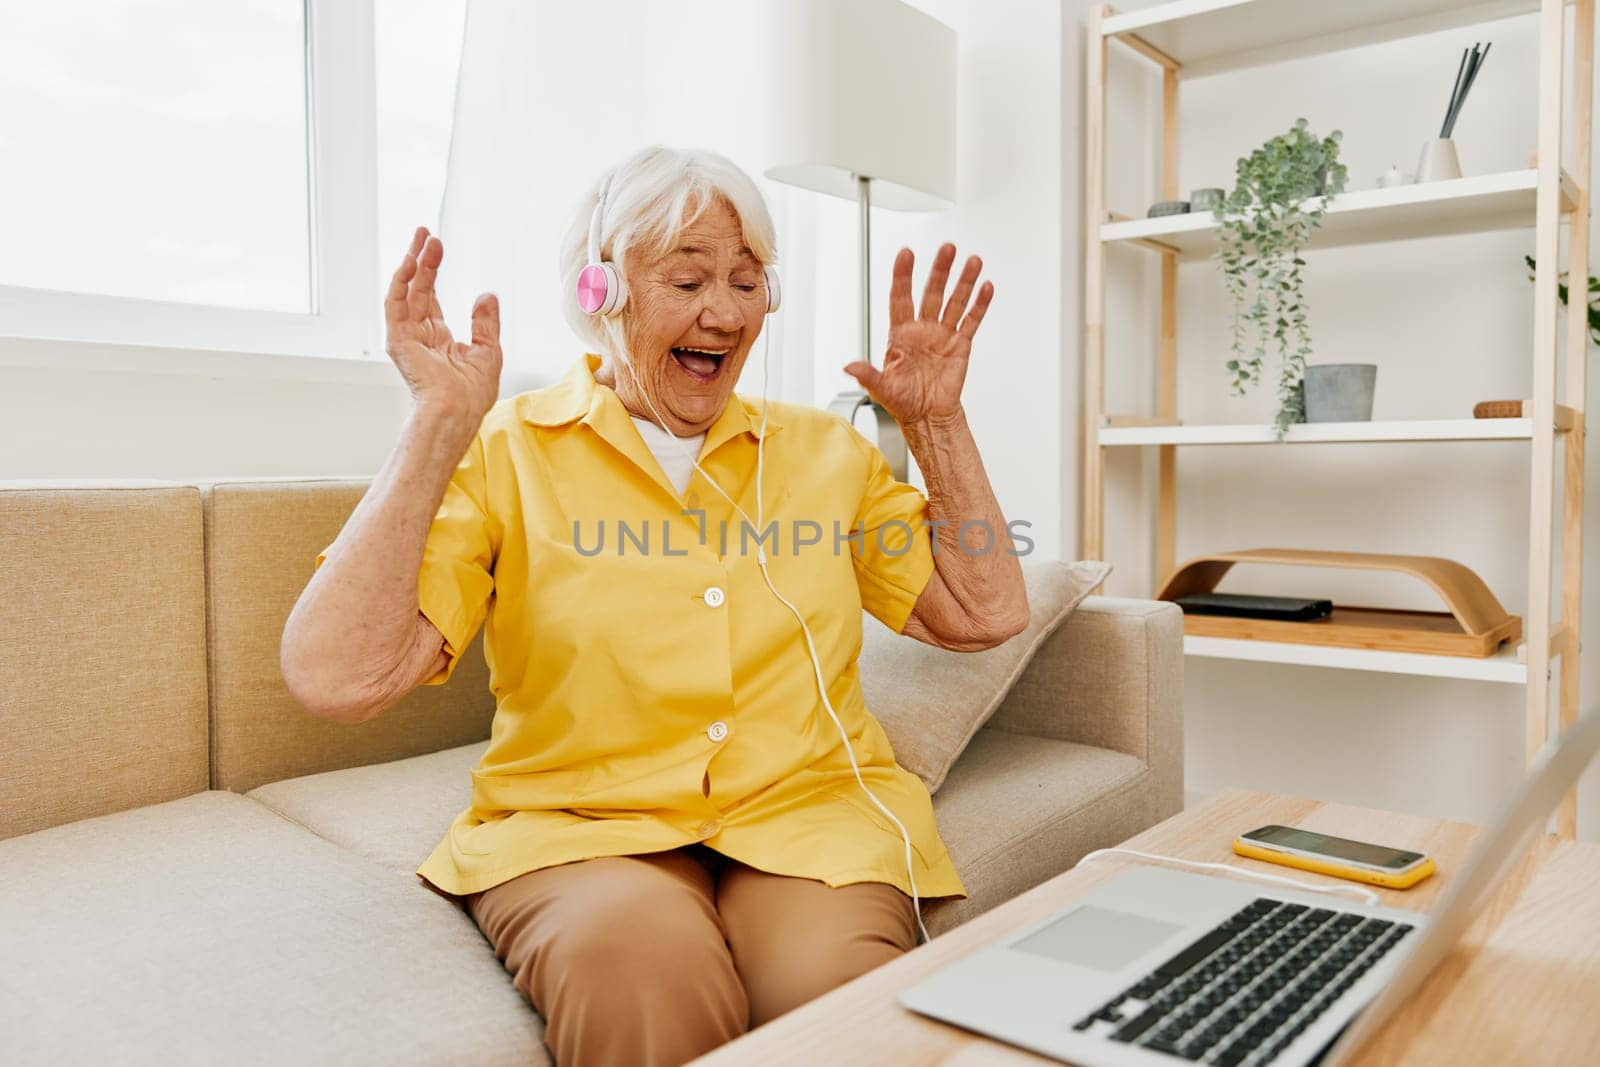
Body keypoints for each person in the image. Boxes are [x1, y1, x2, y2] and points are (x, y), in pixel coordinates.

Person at [280, 145, 1028, 1066]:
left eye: (747, 281)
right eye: (687, 278)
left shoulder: (824, 454)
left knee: (838, 1010)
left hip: (803, 812)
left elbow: (982, 611)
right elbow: (334, 676)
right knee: (646, 981)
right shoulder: (508, 450)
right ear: (601, 291)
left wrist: (937, 423)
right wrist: (438, 421)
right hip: (582, 826)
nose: (723, 310)